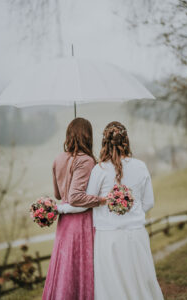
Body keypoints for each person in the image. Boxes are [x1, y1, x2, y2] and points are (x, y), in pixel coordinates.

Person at [59, 121, 164, 300]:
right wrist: (133, 215)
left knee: (111, 287)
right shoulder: (140, 166)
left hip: (108, 237)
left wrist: (60, 208)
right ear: (126, 141)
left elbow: (85, 203)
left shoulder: (99, 170)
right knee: (139, 281)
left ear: (104, 142)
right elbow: (149, 202)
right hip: (136, 234)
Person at [42, 118, 106, 300]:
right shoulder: (86, 160)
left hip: (64, 222)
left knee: (65, 266)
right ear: (88, 136)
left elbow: (58, 195)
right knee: (79, 266)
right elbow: (76, 197)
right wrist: (100, 200)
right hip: (81, 222)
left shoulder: (58, 158)